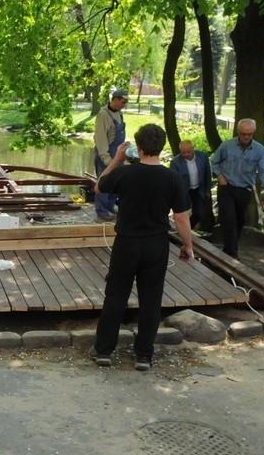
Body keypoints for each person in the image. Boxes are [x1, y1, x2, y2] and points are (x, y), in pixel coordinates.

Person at [90, 123, 194, 371]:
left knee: (116, 296)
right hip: (156, 243)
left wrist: (116, 159)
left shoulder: (125, 172)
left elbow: (99, 187)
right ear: (163, 147)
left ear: (138, 147)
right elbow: (181, 217)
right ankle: (144, 355)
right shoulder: (173, 177)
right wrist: (188, 245)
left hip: (127, 241)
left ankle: (104, 351)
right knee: (151, 299)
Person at [210, 118, 264, 258]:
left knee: (239, 221)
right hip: (226, 187)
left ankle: (230, 248)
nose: (246, 137)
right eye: (243, 133)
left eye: (249, 134)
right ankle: (232, 255)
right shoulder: (227, 146)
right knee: (229, 219)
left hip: (244, 189)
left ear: (254, 132)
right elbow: (214, 163)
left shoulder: (259, 150)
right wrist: (220, 177)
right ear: (238, 131)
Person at [93, 88, 129, 221]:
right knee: (104, 182)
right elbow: (100, 138)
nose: (124, 105)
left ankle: (110, 205)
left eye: (125, 102)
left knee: (117, 182)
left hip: (118, 153)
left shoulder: (119, 113)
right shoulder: (103, 114)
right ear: (114, 99)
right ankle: (101, 211)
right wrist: (106, 159)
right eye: (123, 102)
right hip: (106, 153)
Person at [169, 139, 213, 230]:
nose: (186, 155)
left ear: (193, 148)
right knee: (182, 214)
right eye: (183, 153)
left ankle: (188, 228)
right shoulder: (175, 162)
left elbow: (207, 174)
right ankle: (183, 230)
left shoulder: (203, 156)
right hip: (185, 191)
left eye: (188, 152)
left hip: (199, 190)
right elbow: (173, 181)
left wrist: (207, 190)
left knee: (199, 213)